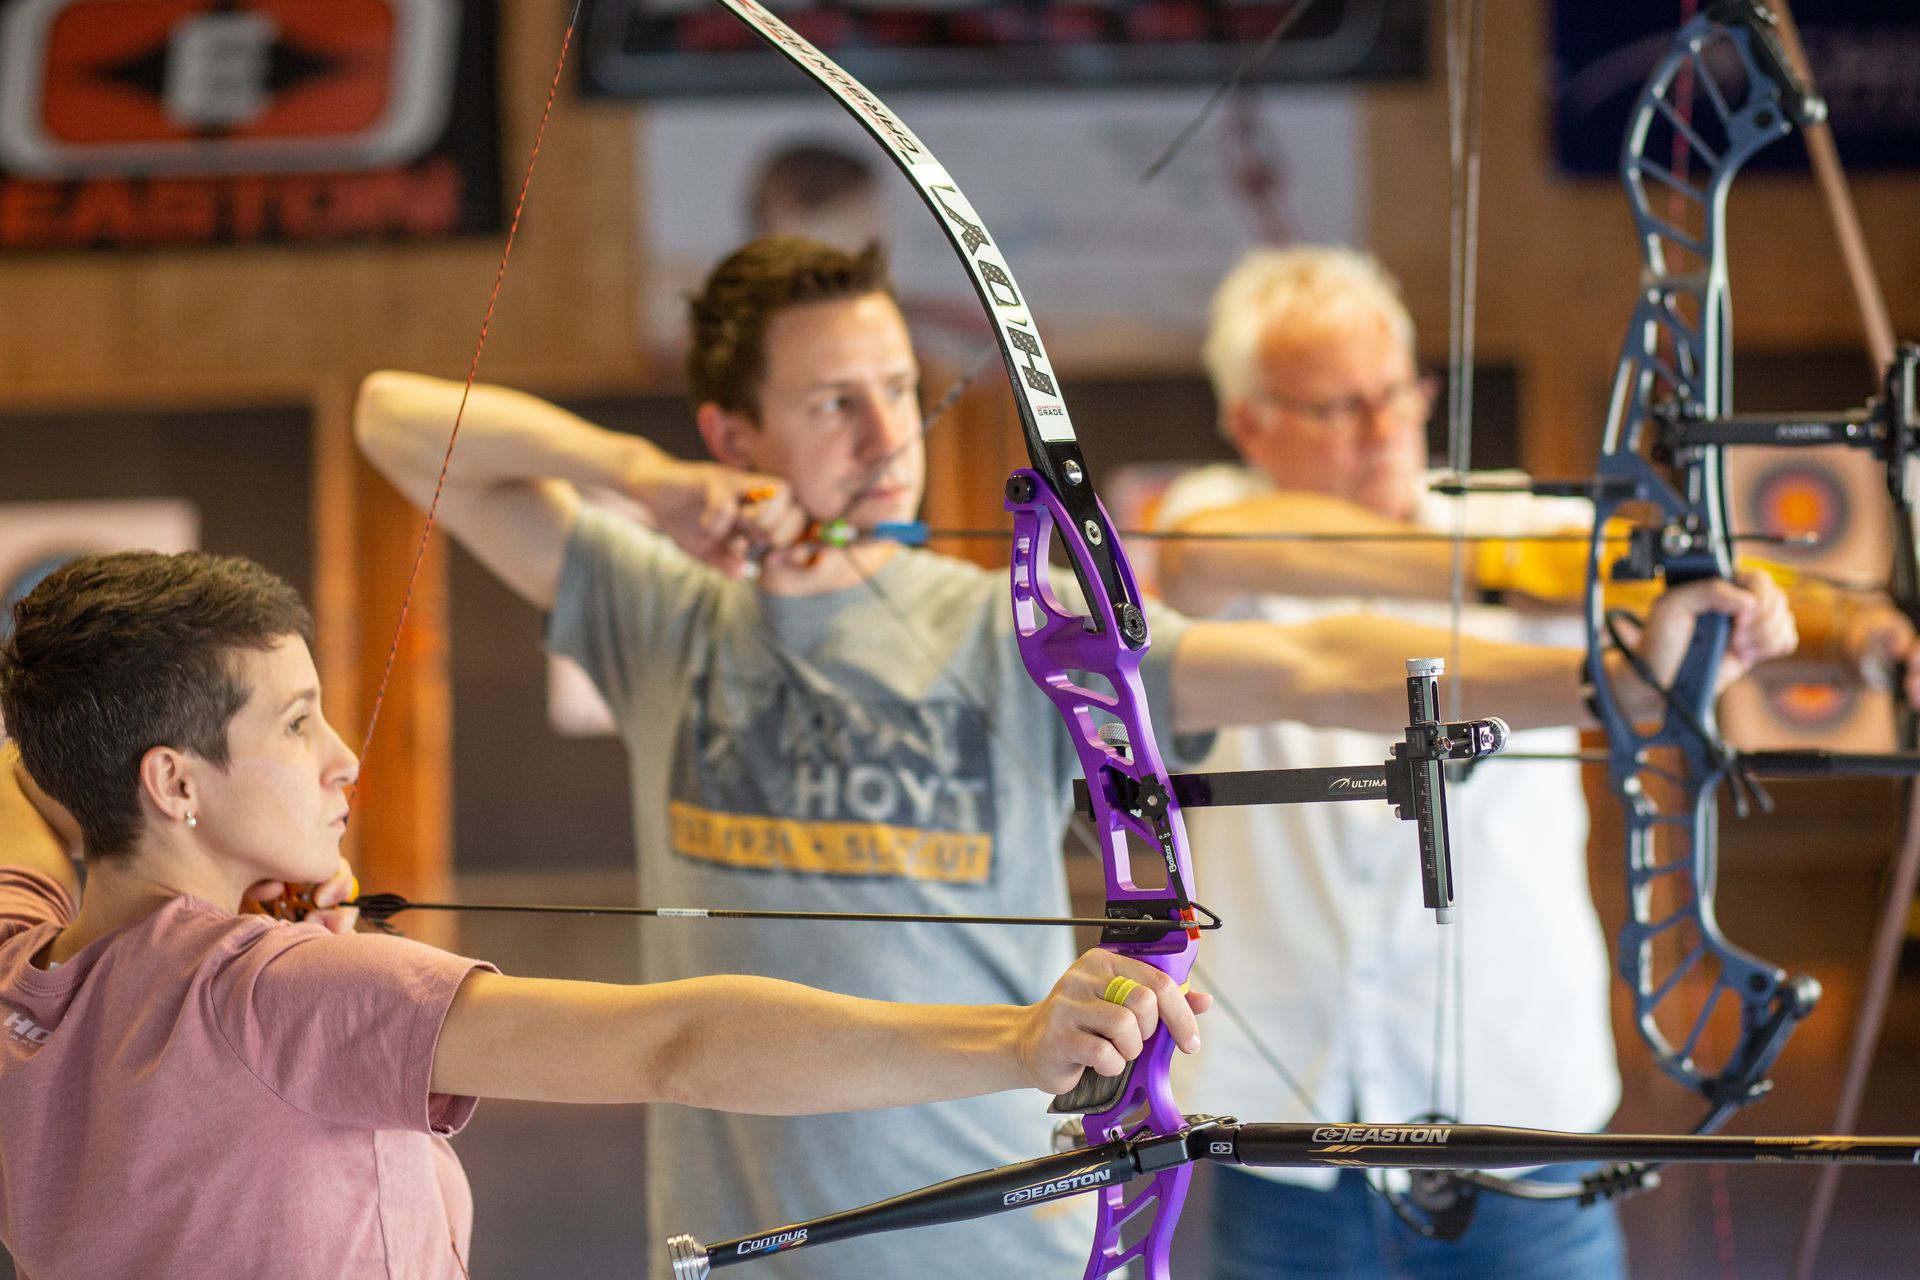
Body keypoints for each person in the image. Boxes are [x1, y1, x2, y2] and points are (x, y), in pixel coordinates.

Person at [354, 236, 1794, 1279]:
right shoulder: (660, 610)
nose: (884, 436)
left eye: (894, 391)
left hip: (1011, 1236)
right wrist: (646, 482)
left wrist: (1609, 681)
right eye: (828, 403)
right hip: (762, 1242)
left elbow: (1302, 661)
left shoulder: (1012, 627)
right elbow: (395, 420)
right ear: (735, 430)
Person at [0, 549, 1210, 1279]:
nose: (344, 756)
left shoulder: (22, 963)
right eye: (297, 719)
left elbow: (30, 779)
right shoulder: (274, 991)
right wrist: (1014, 1041)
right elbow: (672, 1042)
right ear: (171, 780)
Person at [1154, 245, 1906, 1280]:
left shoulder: (1527, 520)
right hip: (1285, 1123)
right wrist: (1505, 564)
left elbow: (1676, 576)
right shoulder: (1214, 519)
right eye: (1338, 407)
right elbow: (1206, 552)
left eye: (1396, 390)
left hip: (1524, 1115)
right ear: (1250, 423)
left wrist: (1848, 626)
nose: (1385, 428)